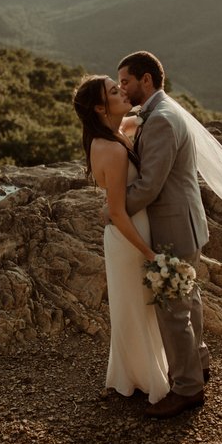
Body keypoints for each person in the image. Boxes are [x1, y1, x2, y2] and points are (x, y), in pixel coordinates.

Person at [117, 51, 211, 419]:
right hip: (186, 222)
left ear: (146, 80)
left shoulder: (160, 120)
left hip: (173, 227)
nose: (122, 88)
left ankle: (187, 388)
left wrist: (115, 208)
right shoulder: (167, 111)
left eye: (125, 81)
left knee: (174, 311)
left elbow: (150, 185)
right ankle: (199, 363)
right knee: (190, 298)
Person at [72, 75, 171, 406]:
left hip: (135, 231)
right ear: (101, 107)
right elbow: (115, 211)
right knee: (134, 309)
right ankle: (140, 377)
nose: (123, 91)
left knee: (143, 308)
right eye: (115, 91)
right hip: (128, 240)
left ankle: (141, 371)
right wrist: (148, 252)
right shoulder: (111, 148)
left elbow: (139, 118)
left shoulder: (116, 132)